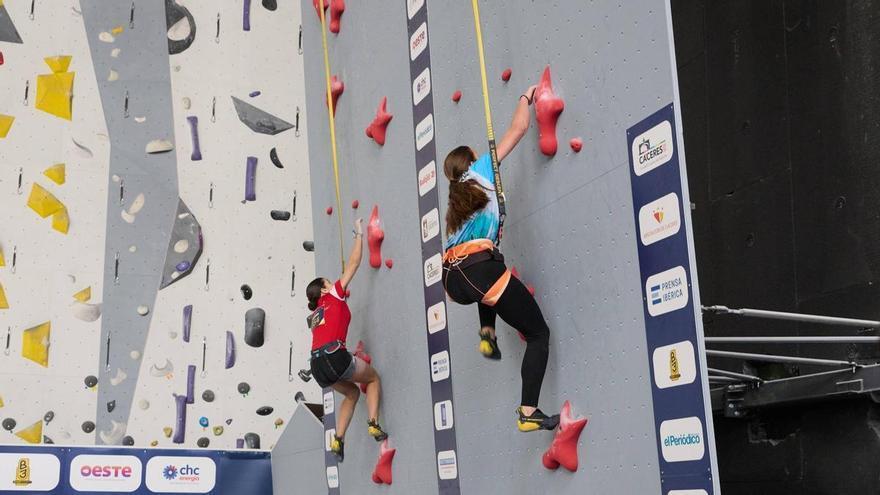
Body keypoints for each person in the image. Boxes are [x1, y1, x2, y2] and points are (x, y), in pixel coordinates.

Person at [441, 84, 559, 432]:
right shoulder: (481, 172)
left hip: (454, 277)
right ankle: (528, 411)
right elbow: (519, 129)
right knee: (538, 334)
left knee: (490, 273)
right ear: (472, 159)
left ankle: (487, 330)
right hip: (477, 270)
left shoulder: (456, 204)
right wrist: (526, 97)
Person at [306, 218, 387, 462]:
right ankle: (373, 423)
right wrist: (358, 234)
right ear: (323, 290)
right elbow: (354, 263)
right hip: (333, 357)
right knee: (372, 378)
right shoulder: (332, 295)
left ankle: (338, 439)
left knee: (351, 394)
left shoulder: (313, 315)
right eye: (328, 282)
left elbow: (328, 330)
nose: (333, 284)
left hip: (317, 366)